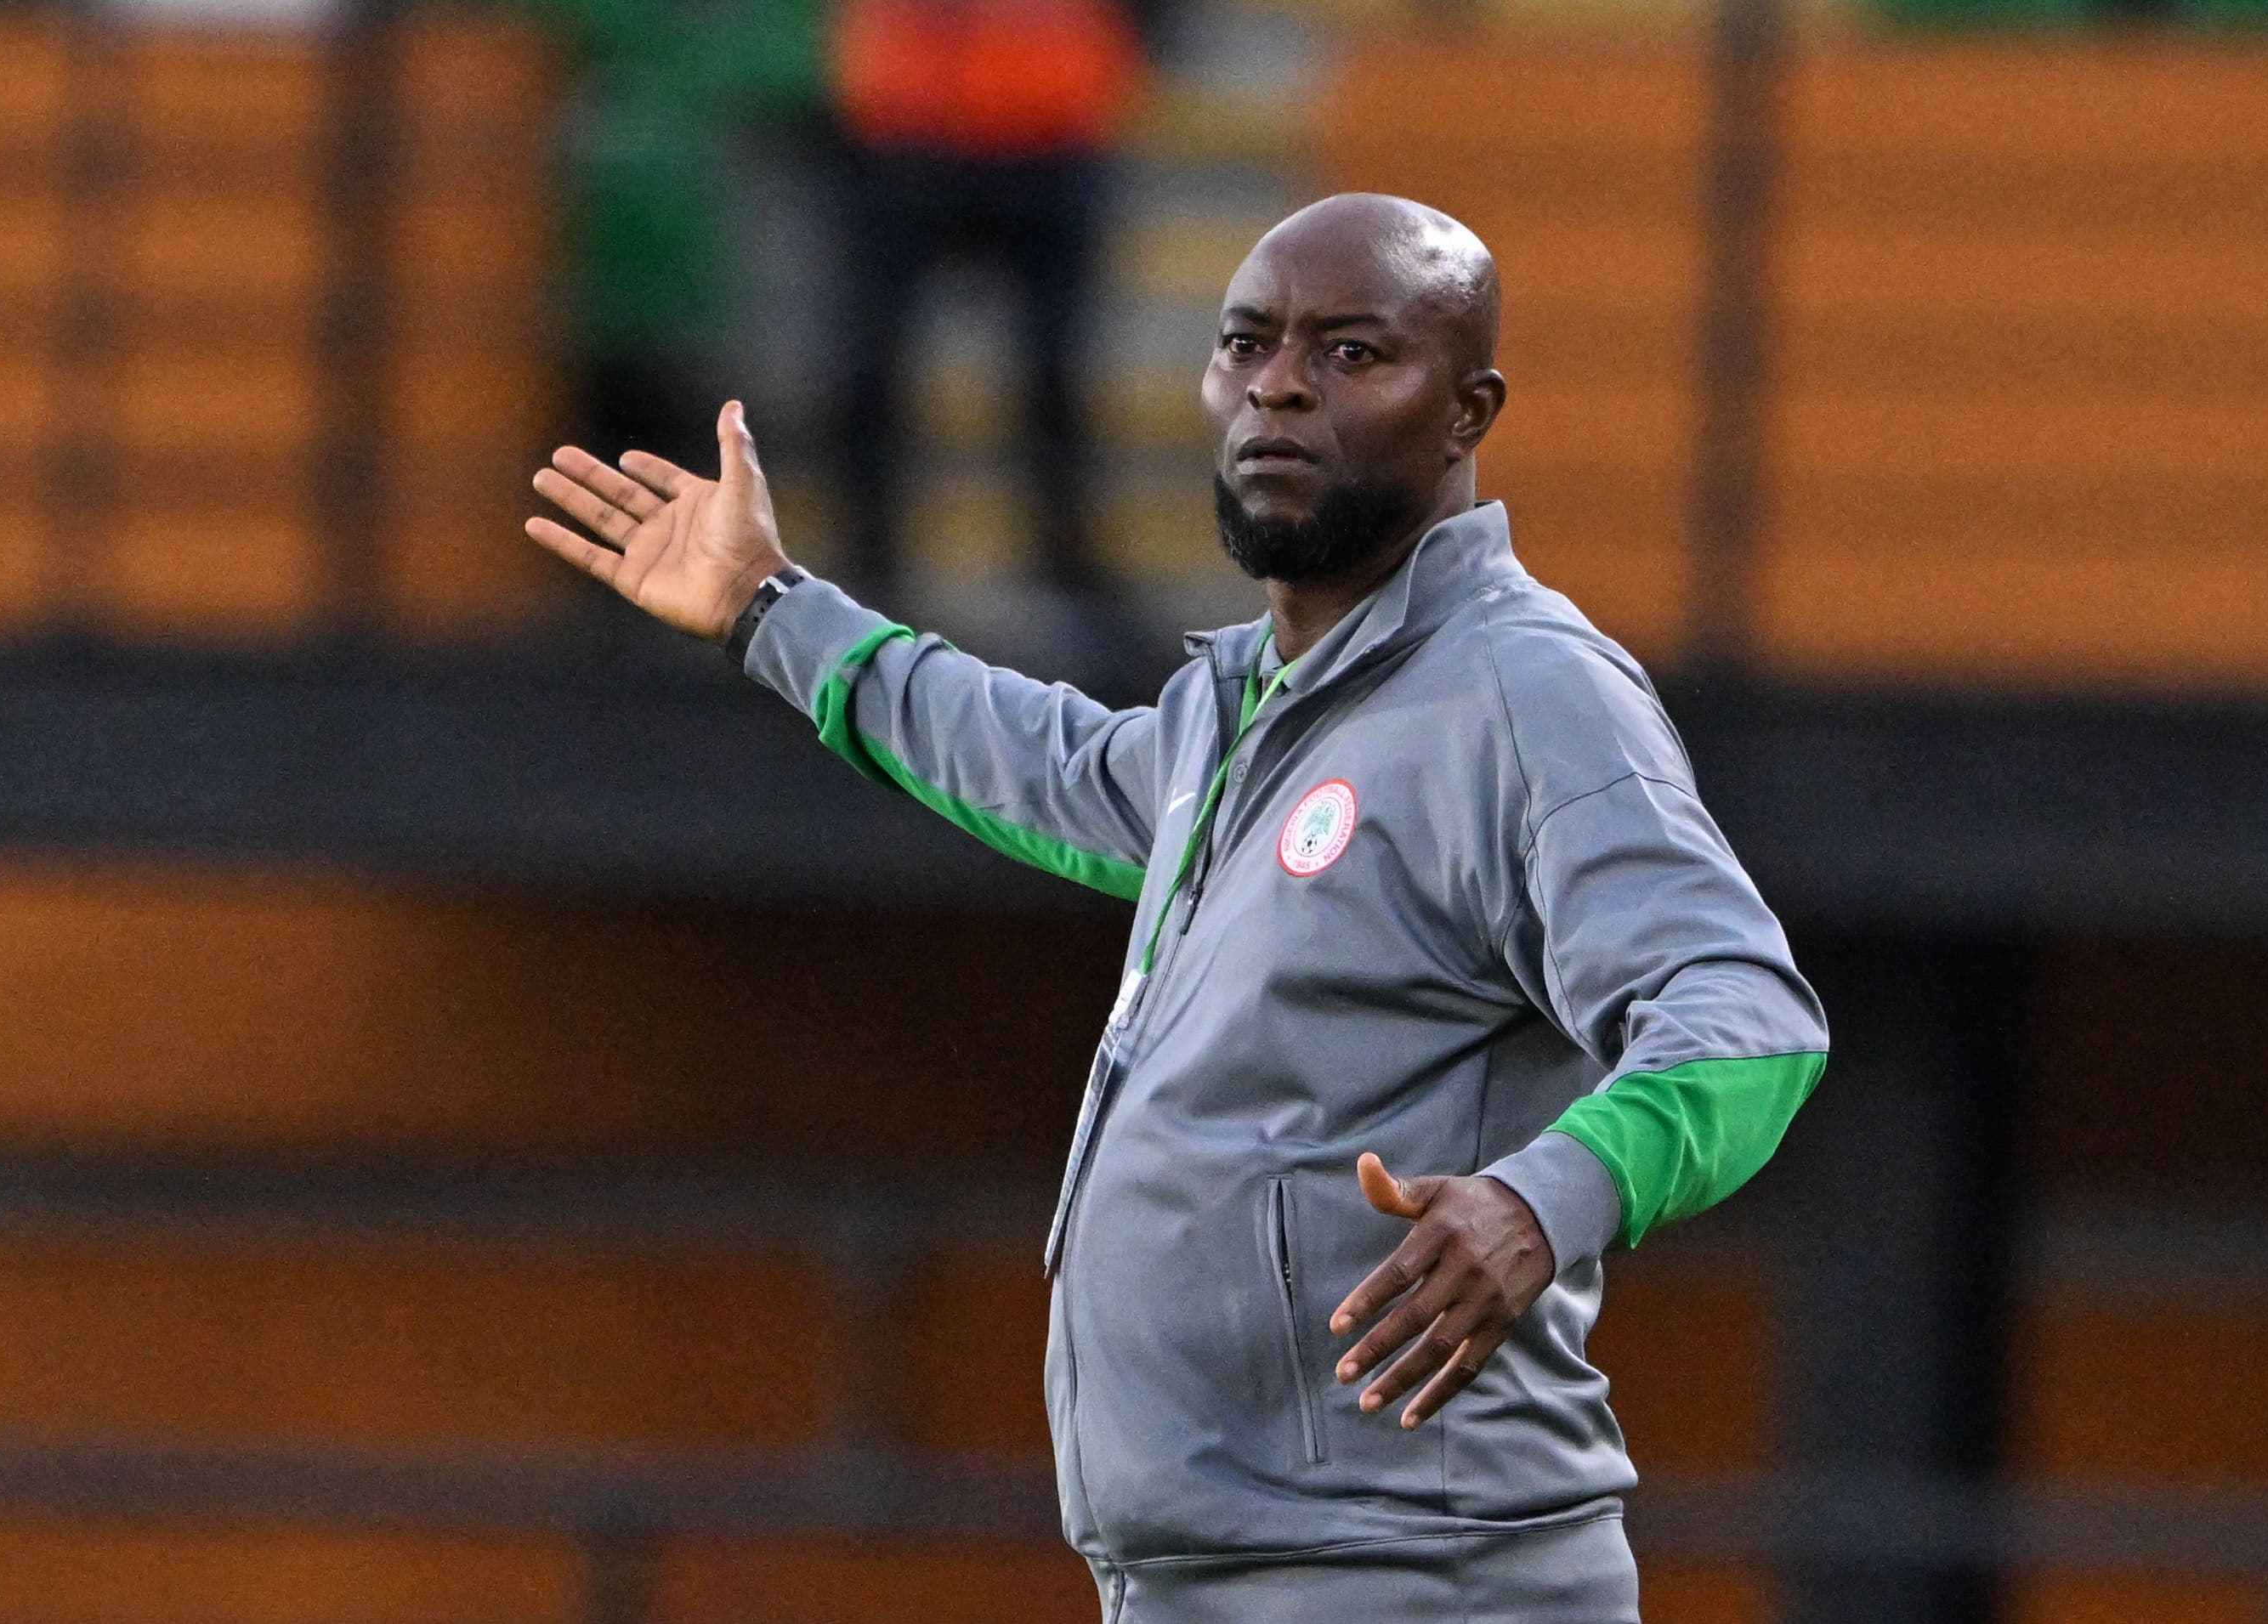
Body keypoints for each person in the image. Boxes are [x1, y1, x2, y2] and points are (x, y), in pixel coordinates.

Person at [524, 194, 1829, 1621]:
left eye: (1349, 352)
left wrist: (1542, 1195)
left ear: (1468, 411)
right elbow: (1043, 763)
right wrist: (773, 609)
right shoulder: (1241, 706)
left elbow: (1744, 1017)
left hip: (1415, 1585)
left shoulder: (1525, 690)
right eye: (1247, 344)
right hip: (1204, 1579)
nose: (1279, 385)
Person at [824, 0, 1160, 603]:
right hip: (910, 115)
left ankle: (1065, 557)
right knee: (872, 364)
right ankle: (867, 557)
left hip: (1045, 115)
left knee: (1056, 369)